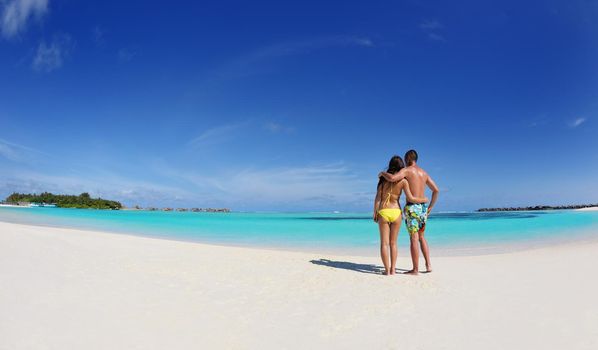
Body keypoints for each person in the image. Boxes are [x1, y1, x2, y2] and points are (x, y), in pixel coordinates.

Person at [379, 150, 439, 275]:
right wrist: (431, 207)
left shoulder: (406, 170)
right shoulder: (424, 173)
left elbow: (393, 178)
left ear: (407, 158)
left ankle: (415, 269)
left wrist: (382, 173)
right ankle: (428, 265)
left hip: (412, 207)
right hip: (423, 208)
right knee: (422, 237)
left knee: (413, 238)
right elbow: (436, 190)